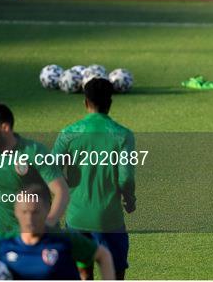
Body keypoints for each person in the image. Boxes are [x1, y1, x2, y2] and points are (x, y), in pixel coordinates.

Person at [52, 78, 136, 280]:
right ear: (110, 102)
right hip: (110, 218)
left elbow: (50, 168)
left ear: (85, 102)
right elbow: (125, 178)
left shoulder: (69, 133)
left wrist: (64, 193)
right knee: (115, 273)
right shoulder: (123, 135)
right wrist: (129, 200)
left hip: (77, 217)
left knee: (83, 272)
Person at [0, 103, 69, 236]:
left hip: (41, 234)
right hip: (4, 234)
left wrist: (48, 223)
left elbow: (61, 191)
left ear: (5, 128)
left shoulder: (34, 152)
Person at [0, 184, 115, 280]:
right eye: (24, 212)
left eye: (35, 212)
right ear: (16, 212)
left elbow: (103, 255)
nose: (29, 218)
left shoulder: (64, 239)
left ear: (46, 212)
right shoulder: (4, 242)